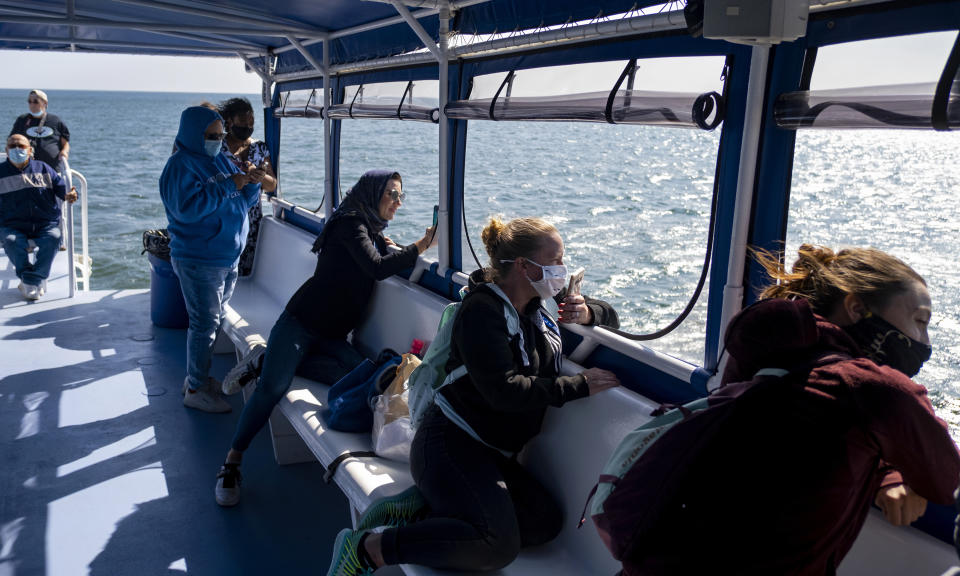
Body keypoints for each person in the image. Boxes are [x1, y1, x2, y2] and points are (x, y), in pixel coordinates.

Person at [630, 244, 960, 575]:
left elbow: (809, 439)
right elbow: (944, 479)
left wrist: (885, 470)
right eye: (920, 321)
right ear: (857, 309)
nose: (925, 342)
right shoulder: (878, 390)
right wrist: (895, 464)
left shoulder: (762, 353)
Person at [324, 216, 621, 575]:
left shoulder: (537, 300)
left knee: (544, 522)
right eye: (555, 261)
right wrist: (580, 385)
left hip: (491, 453)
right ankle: (369, 549)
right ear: (525, 267)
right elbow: (504, 391)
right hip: (450, 442)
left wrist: (588, 312)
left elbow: (610, 316)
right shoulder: (483, 311)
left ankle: (422, 508)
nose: (562, 270)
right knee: (497, 544)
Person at [214, 170, 437, 506]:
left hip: (332, 335)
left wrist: (394, 247)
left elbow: (378, 256)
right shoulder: (350, 223)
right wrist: (422, 244)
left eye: (400, 196)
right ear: (372, 193)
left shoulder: (370, 229)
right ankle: (232, 461)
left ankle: (266, 359)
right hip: (301, 322)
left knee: (363, 376)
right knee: (273, 387)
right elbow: (376, 267)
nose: (397, 202)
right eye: (391, 194)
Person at [159, 106, 265, 413]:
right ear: (193, 133)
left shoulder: (219, 159)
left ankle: (198, 379)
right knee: (204, 324)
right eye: (211, 136)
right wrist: (232, 183)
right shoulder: (180, 166)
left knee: (213, 321)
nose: (218, 141)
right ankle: (195, 388)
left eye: (221, 135)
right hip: (199, 259)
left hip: (226, 258)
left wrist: (252, 182)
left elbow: (242, 202)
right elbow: (187, 209)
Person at [0, 134, 77, 300]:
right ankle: (34, 280)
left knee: (54, 237)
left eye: (21, 146)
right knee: (11, 241)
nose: (17, 149)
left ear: (30, 150)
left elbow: (62, 189)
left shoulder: (43, 168)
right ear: (6, 150)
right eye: (12, 146)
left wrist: (70, 194)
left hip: (45, 224)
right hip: (13, 225)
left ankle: (30, 280)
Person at [218, 98, 278, 277]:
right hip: (223, 217)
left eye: (251, 123)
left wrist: (257, 175)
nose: (248, 128)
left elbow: (272, 184)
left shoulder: (260, 148)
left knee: (246, 271)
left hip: (251, 219)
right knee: (222, 270)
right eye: (243, 123)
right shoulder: (217, 147)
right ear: (229, 122)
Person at [9, 90, 70, 171]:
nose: (32, 105)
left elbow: (65, 143)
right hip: (27, 169)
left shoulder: (56, 121)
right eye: (29, 102)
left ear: (45, 103)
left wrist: (64, 152)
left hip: (52, 169)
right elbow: (11, 141)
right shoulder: (22, 120)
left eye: (35, 102)